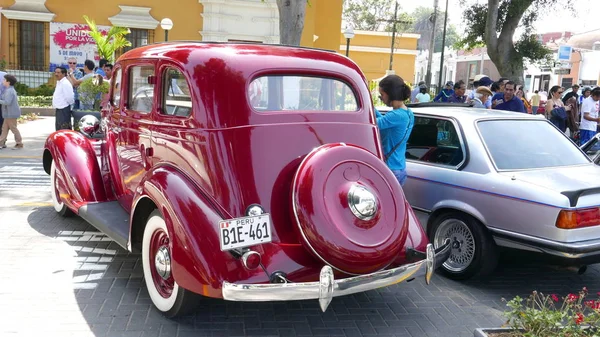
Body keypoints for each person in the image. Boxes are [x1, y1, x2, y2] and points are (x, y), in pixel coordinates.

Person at [374, 75, 415, 186]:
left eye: (382, 94)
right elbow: (383, 120)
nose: (381, 98)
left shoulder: (396, 115)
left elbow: (373, 124)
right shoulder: (408, 113)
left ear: (390, 94)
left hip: (390, 169)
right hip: (400, 168)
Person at [0, 74, 23, 149]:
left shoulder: (9, 91)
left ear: (8, 82)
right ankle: (1, 143)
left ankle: (19, 143)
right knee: (4, 129)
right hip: (8, 114)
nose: (3, 81)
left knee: (13, 128)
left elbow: (7, 102)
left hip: (11, 114)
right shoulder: (8, 90)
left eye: (4, 80)